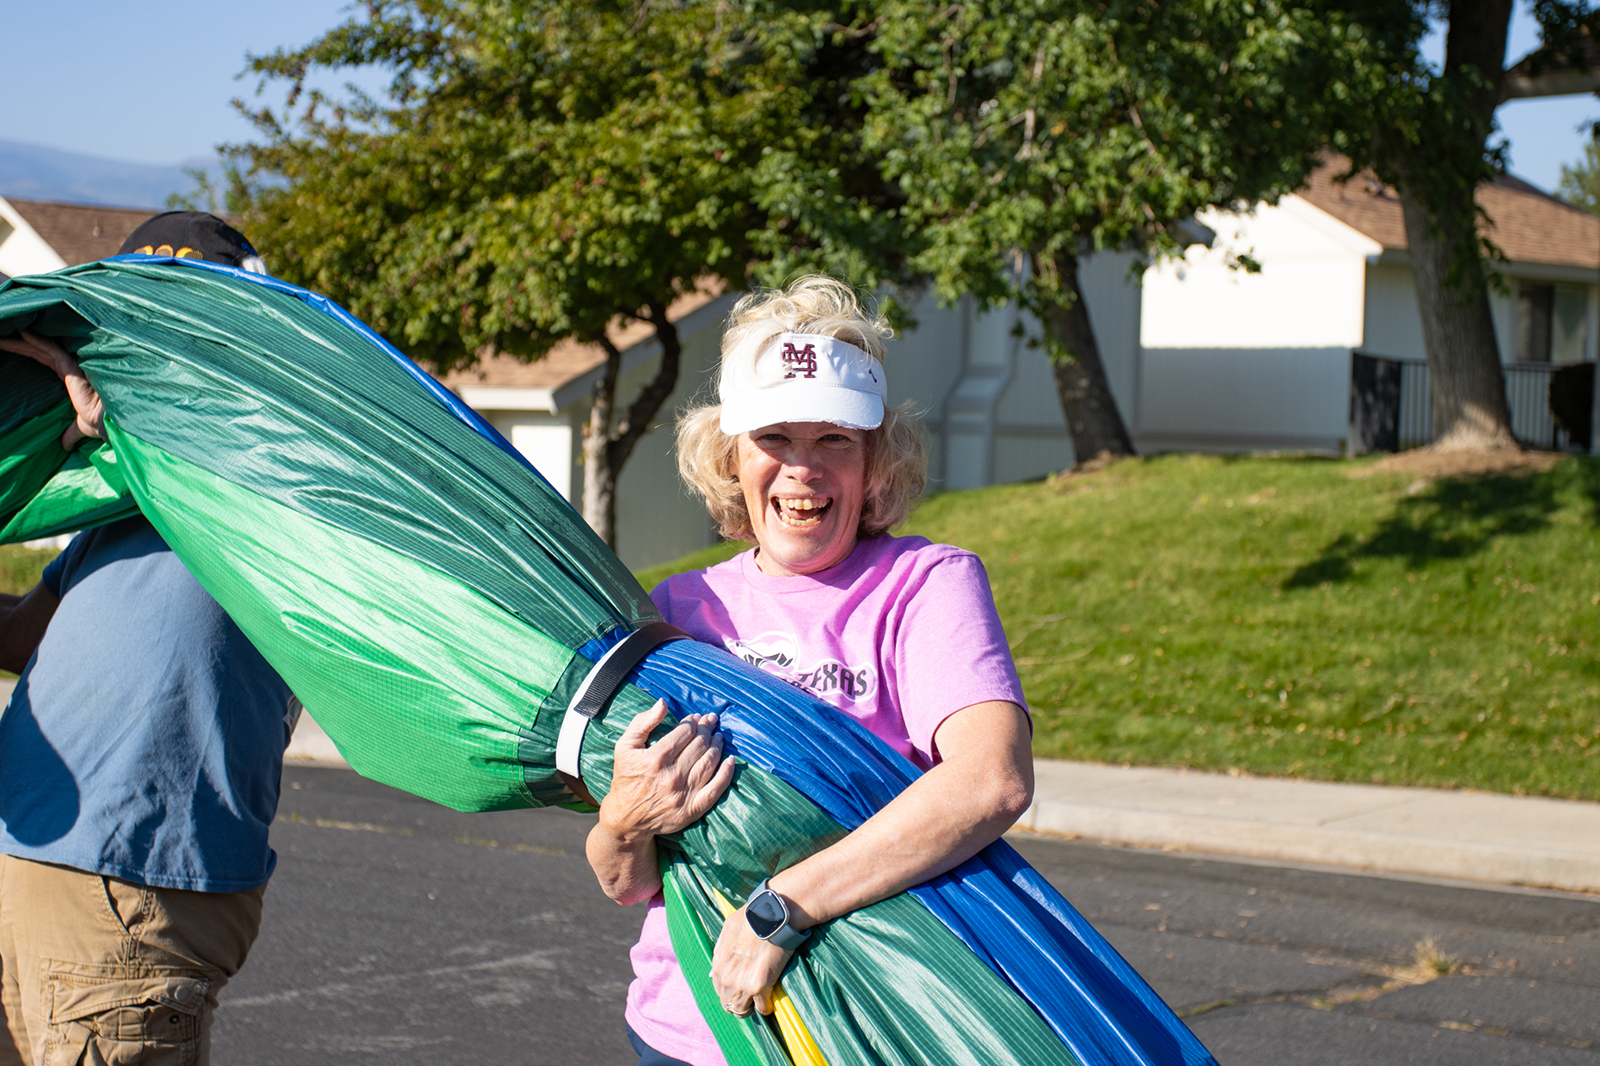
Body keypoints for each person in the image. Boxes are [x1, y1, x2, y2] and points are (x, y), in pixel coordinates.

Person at [585, 277, 1035, 1066]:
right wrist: (623, 820)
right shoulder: (677, 609)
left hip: (861, 1023)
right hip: (683, 1029)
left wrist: (783, 908)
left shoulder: (925, 585)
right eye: (775, 439)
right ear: (730, 454)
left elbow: (990, 780)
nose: (803, 470)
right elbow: (628, 884)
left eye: (835, 440)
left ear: (875, 459)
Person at [0, 213, 292, 1066]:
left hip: (131, 882)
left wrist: (126, 439)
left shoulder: (270, 457)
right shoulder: (109, 492)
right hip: (31, 857)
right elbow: (27, 638)